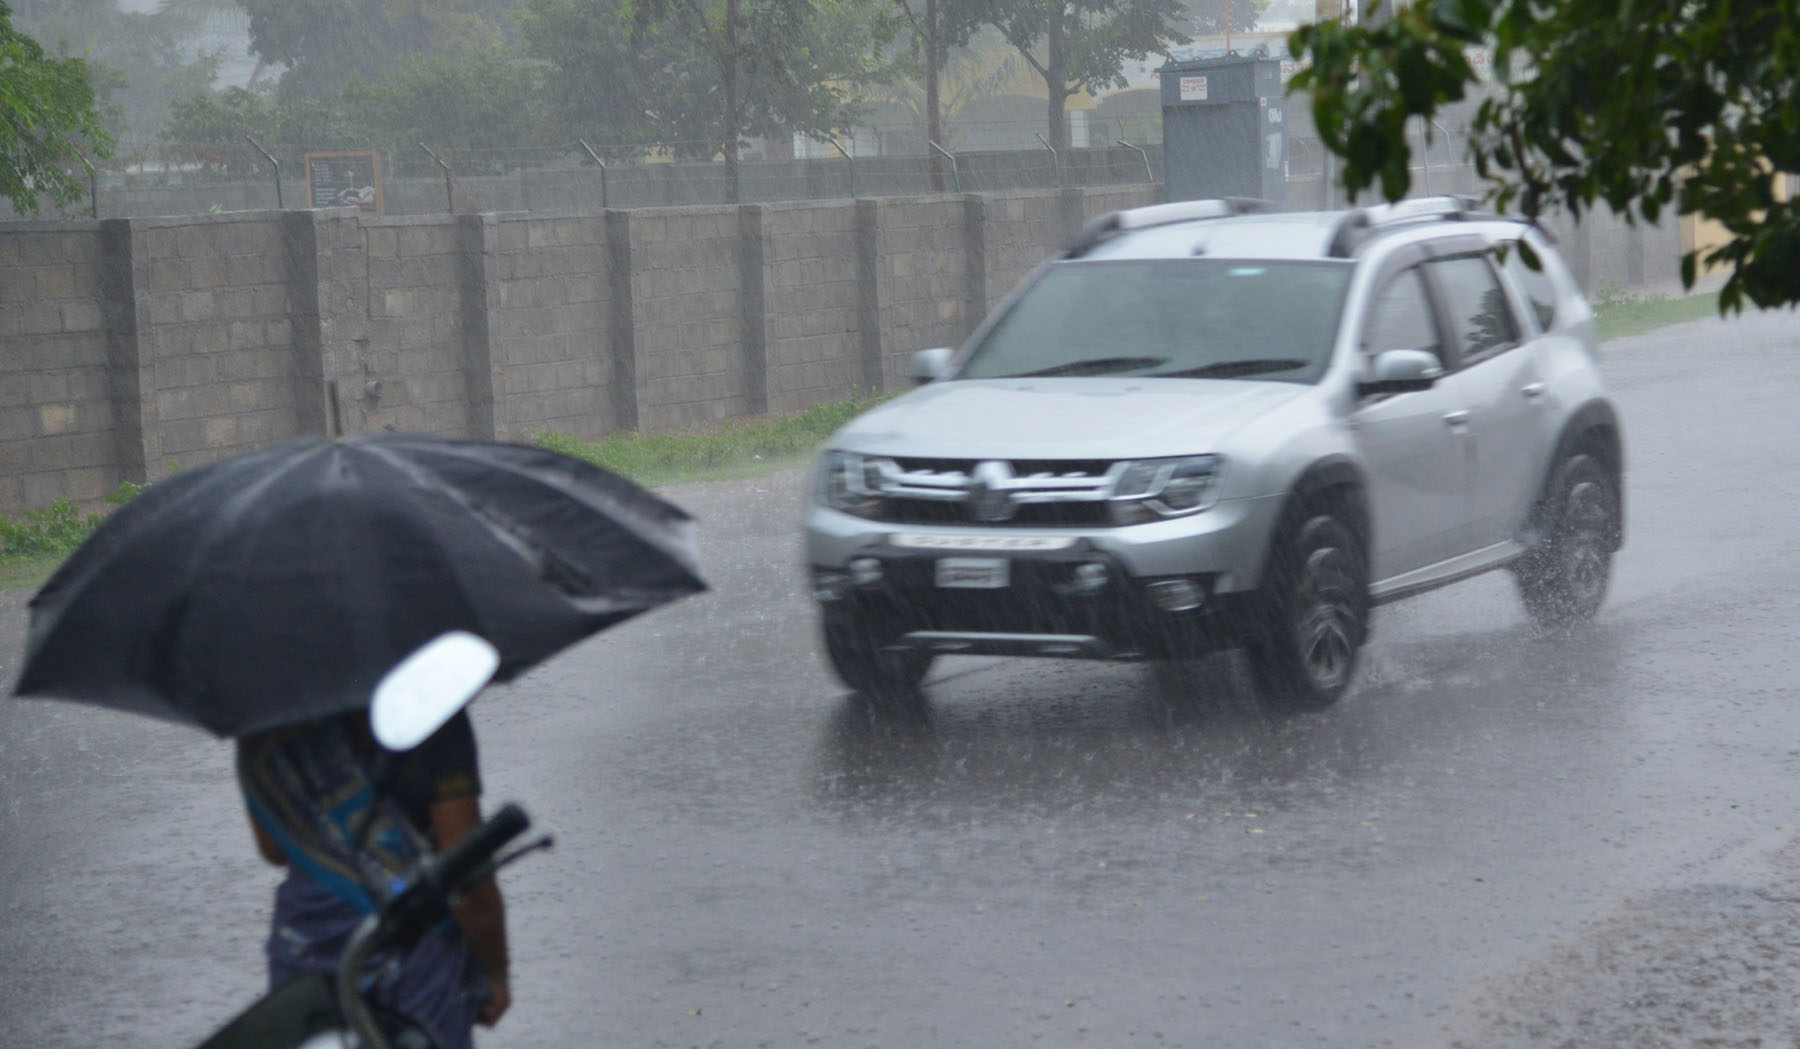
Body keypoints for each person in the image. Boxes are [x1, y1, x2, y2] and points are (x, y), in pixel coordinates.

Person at [237, 708, 511, 1049]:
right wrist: (494, 972)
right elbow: (467, 875)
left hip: (305, 949)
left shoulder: (261, 720)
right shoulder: (428, 709)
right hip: (412, 962)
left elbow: (273, 849)